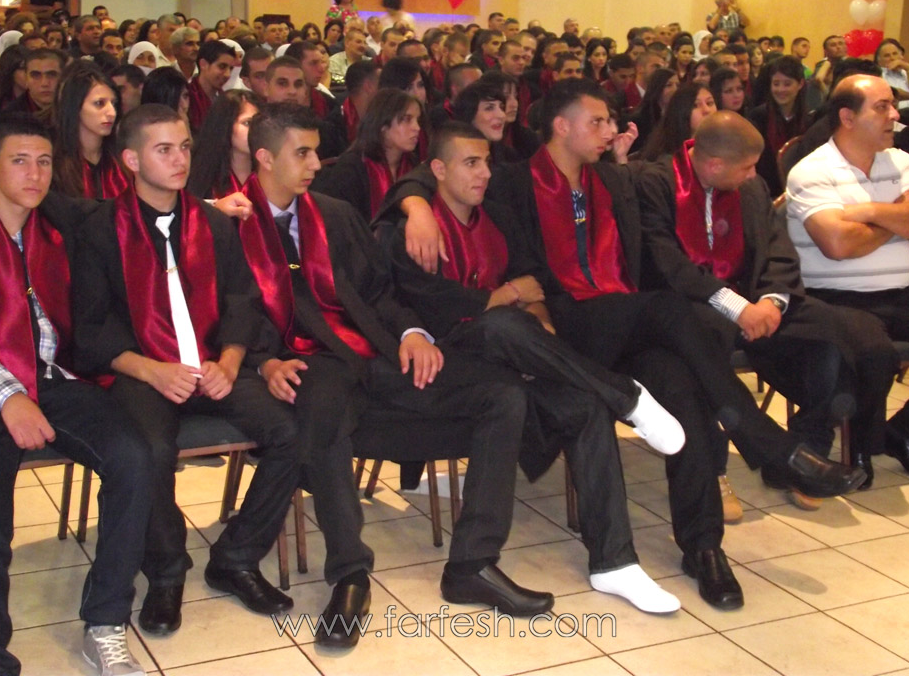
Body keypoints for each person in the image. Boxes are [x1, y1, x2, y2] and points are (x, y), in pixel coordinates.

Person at [382, 79, 868, 610]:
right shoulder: (511, 182)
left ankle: (704, 547)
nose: (609, 130)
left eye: (610, 121)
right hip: (564, 329)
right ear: (562, 126)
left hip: (620, 323)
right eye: (597, 121)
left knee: (684, 392)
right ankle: (767, 445)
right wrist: (416, 206)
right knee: (668, 309)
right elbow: (432, 173)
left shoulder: (615, 180)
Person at [238, 103, 551, 646]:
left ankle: (472, 563)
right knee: (325, 406)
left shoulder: (334, 214)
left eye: (316, 152)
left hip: (372, 355)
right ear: (264, 158)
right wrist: (263, 361)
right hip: (302, 363)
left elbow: (380, 291)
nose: (315, 164)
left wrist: (411, 333)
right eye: (302, 153)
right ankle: (350, 575)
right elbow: (222, 312)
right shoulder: (229, 222)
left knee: (501, 395)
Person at [384, 121, 686, 614]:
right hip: (447, 367)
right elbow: (435, 305)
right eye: (470, 163)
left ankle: (615, 562)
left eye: (486, 162)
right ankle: (626, 395)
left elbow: (535, 284)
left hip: (512, 359)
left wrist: (538, 323)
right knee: (501, 324)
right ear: (437, 169)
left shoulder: (497, 217)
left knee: (584, 406)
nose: (484, 174)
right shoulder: (413, 231)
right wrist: (506, 296)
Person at [72, 103, 302, 637]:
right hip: (143, 370)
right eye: (164, 150)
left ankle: (237, 557)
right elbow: (91, 326)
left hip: (212, 362)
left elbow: (243, 300)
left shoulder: (214, 222)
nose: (180, 160)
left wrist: (230, 361)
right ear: (132, 160)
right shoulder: (100, 229)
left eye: (184, 148)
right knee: (149, 450)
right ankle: (166, 571)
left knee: (291, 432)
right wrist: (152, 371)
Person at [0, 114, 152, 676]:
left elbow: (130, 214)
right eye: (19, 161)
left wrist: (212, 207)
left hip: (54, 378)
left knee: (135, 459)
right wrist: (10, 397)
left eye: (43, 162)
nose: (34, 174)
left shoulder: (60, 224)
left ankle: (105, 621)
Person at [638, 110, 896, 505]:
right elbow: (664, 263)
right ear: (714, 164)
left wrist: (772, 301)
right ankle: (714, 470)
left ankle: (805, 452)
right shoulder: (655, 183)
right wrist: (737, 308)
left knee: (829, 329)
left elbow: (778, 250)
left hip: (753, 298)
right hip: (688, 305)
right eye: (746, 167)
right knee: (703, 341)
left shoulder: (751, 188)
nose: (753, 174)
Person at [787, 74, 909, 483]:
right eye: (881, 108)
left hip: (904, 297)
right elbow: (838, 244)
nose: (894, 116)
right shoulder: (812, 171)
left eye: (893, 106)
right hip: (835, 299)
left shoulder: (900, 161)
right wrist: (899, 215)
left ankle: (908, 433)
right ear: (847, 117)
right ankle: (860, 447)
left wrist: (869, 212)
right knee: (874, 355)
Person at [312, 88, 421, 219]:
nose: (417, 128)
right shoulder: (352, 168)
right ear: (383, 126)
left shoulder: (413, 165)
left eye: (417, 120)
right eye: (407, 119)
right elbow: (343, 222)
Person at [52, 61, 130, 200]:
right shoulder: (54, 164)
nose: (112, 112)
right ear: (75, 107)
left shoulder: (122, 160)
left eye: (114, 103)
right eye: (99, 103)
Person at [747, 55, 810, 195]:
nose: (781, 89)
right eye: (776, 84)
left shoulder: (809, 120)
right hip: (766, 191)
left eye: (787, 84)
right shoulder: (758, 117)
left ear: (800, 84)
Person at [188, 88, 260, 197]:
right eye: (247, 123)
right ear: (225, 125)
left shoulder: (269, 175)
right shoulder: (202, 177)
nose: (255, 130)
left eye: (258, 123)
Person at [318, 59, 380, 159]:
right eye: (381, 83)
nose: (386, 88)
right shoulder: (331, 127)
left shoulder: (380, 119)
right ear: (369, 86)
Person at [186, 39, 236, 135]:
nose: (227, 74)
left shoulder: (227, 100)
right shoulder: (187, 97)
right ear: (203, 64)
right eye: (222, 66)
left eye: (230, 69)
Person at [875, 38, 909, 105]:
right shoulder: (878, 75)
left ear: (901, 56)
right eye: (887, 56)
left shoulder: (907, 72)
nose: (892, 58)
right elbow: (895, 93)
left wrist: (908, 68)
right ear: (879, 61)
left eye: (895, 54)